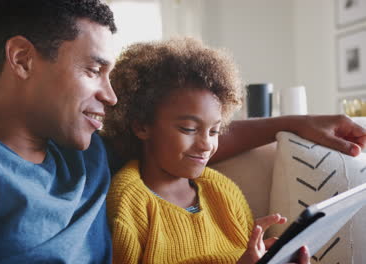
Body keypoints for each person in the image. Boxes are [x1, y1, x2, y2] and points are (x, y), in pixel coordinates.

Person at [0, 0, 364, 263]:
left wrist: (292, 124)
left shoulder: (86, 157)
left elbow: (184, 140)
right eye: (93, 70)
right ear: (22, 59)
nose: (112, 95)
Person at [102, 38, 308, 264]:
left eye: (214, 131)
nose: (207, 145)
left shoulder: (224, 192)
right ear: (141, 125)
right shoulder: (128, 202)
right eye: (189, 129)